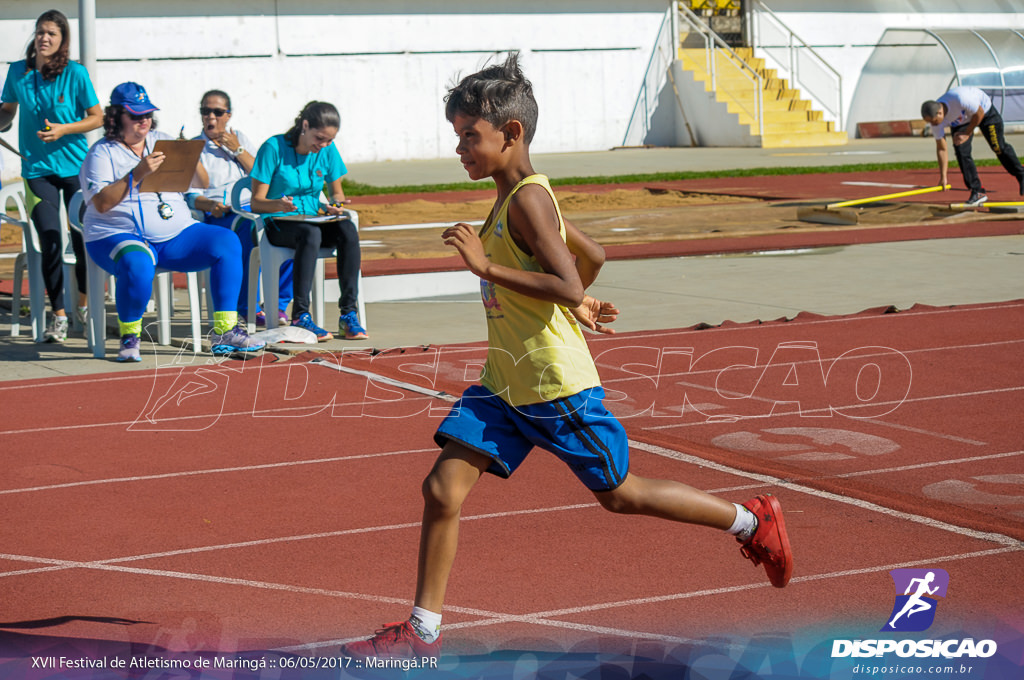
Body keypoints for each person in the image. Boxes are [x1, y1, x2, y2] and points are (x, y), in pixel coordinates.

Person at [342, 54, 793, 661]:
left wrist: (495, 270)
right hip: (504, 383)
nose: (460, 149)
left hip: (555, 387)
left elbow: (569, 280)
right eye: (457, 137)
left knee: (621, 494)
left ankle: (751, 520)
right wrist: (571, 303)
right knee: (443, 489)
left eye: (468, 137)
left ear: (511, 133)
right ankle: (422, 632)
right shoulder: (520, 196)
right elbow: (592, 256)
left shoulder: (527, 200)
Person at [79, 82, 264, 361]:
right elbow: (102, 203)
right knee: (137, 261)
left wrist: (188, 154)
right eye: (135, 115)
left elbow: (202, 182)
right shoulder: (101, 153)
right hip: (116, 233)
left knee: (226, 241)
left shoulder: (160, 140)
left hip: (174, 233)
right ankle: (130, 336)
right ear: (116, 117)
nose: (144, 121)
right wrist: (138, 173)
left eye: (147, 115)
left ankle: (225, 331)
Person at [0, 9, 103, 342]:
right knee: (50, 239)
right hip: (36, 171)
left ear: (62, 41)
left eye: (52, 34)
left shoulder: (76, 74)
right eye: (40, 32)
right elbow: (7, 114)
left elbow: (97, 117)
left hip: (76, 169)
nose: (44, 38)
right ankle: (58, 315)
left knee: (83, 240)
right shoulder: (17, 72)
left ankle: (83, 307)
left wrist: (64, 130)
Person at [250, 101, 366, 341]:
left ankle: (348, 314)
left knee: (347, 229)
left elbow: (337, 193)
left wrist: (335, 206)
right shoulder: (273, 148)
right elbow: (256, 202)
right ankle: (301, 315)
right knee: (310, 234)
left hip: (313, 219)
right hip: (278, 221)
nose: (323, 145)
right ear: (305, 125)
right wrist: (278, 205)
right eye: (319, 138)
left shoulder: (327, 151)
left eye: (329, 141)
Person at [188, 89, 293, 328]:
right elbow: (191, 196)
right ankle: (248, 306)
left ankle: (278, 304)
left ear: (228, 115)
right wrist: (210, 205)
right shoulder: (194, 147)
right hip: (220, 212)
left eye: (217, 112)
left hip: (250, 204)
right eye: (206, 111)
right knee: (246, 229)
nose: (211, 118)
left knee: (289, 225)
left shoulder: (240, 139)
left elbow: (262, 176)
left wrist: (237, 150)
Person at [921, 85, 1024, 207]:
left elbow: (979, 114)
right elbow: (942, 148)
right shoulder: (936, 121)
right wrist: (943, 176)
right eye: (929, 122)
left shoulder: (960, 99)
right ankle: (977, 191)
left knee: (997, 146)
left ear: (940, 112)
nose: (933, 125)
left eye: (934, 121)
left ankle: (1021, 174)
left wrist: (967, 133)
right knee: (960, 150)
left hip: (984, 113)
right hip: (962, 121)